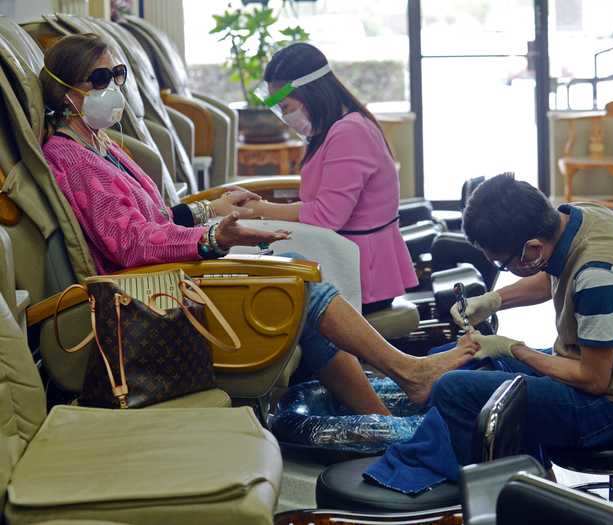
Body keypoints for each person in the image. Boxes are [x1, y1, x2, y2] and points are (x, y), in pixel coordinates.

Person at [39, 34, 469, 415]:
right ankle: (404, 377)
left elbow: (155, 218)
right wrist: (211, 238)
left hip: (167, 277)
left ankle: (383, 416)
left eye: (117, 74)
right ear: (63, 92)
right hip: (150, 298)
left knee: (294, 277)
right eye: (99, 80)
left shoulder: (103, 146)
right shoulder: (72, 158)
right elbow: (131, 244)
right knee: (294, 276)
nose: (113, 87)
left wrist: (213, 211)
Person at [432, 173, 613, 468]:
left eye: (501, 264)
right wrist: (492, 302)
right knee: (458, 359)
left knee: (452, 389)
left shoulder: (598, 277)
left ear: (532, 249)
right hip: (590, 377)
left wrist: (512, 348)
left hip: (610, 410)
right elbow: (555, 277)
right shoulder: (580, 216)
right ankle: (530, 481)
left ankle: (487, 498)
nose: (501, 269)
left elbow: (593, 380)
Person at [244, 43, 418, 315]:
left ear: (309, 92)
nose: (285, 117)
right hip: (344, 260)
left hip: (361, 277)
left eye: (285, 106)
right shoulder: (332, 128)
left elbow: (328, 215)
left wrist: (262, 210)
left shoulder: (348, 133)